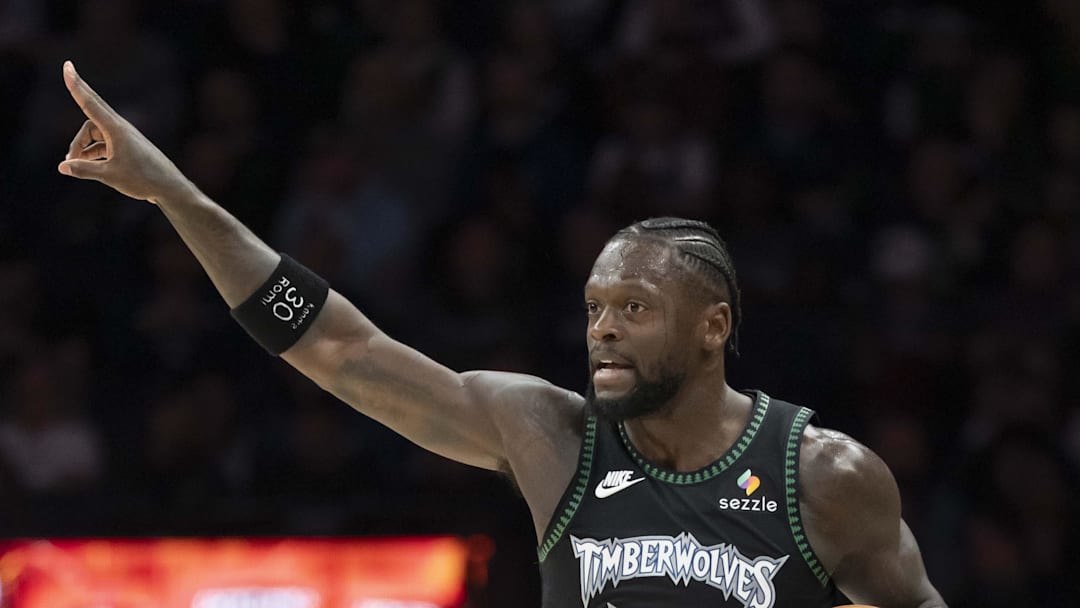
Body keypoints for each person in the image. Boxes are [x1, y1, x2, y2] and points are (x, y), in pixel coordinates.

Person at [56, 61, 946, 608]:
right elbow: (338, 348)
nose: (603, 330)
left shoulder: (822, 476)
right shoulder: (550, 434)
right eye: (594, 307)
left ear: (713, 327)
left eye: (635, 308)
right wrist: (174, 193)